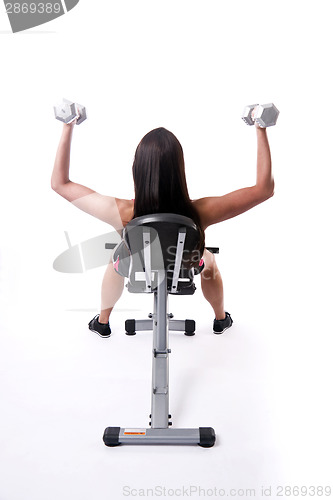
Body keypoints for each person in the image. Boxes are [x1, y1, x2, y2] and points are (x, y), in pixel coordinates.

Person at [51, 118, 274, 338]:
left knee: (115, 257)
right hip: (186, 266)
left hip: (137, 267)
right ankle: (220, 318)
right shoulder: (202, 211)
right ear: (179, 169)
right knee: (210, 261)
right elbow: (264, 189)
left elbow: (60, 183)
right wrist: (260, 128)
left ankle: (103, 322)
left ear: (137, 167)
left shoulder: (120, 211)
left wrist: (67, 125)